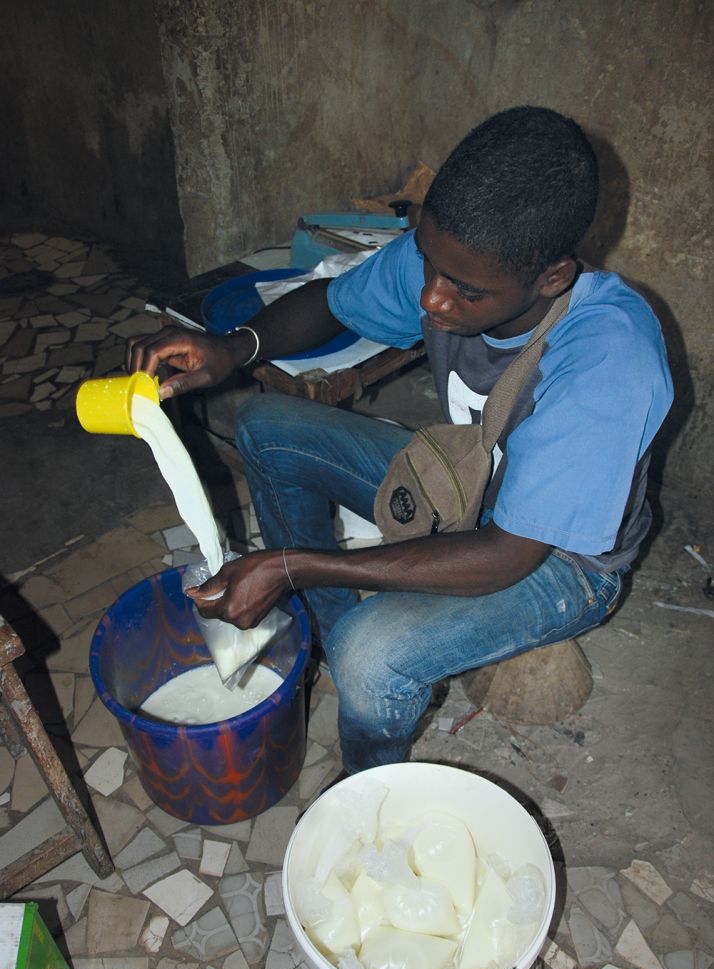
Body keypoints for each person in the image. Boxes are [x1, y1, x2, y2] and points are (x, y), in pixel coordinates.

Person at [127, 105, 673, 776]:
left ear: (552, 278)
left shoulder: (607, 357)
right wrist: (233, 347)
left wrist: (297, 564)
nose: (433, 303)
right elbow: (332, 300)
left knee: (372, 652)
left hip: (559, 563)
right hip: (467, 485)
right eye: (430, 266)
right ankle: (327, 630)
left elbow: (508, 555)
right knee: (267, 428)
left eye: (464, 291)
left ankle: (372, 780)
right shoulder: (449, 264)